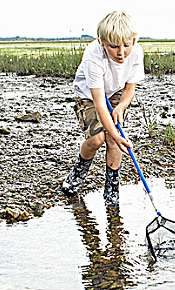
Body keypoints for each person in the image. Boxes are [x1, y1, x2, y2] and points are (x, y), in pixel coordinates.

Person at [62, 11, 145, 205]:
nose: (121, 52)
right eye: (114, 46)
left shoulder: (136, 53)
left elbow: (130, 88)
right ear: (102, 42)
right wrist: (115, 134)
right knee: (97, 139)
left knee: (114, 140)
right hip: (90, 94)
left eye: (127, 45)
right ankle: (77, 175)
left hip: (116, 91)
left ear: (133, 40)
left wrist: (121, 107)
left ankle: (111, 190)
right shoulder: (94, 56)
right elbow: (99, 102)